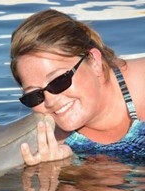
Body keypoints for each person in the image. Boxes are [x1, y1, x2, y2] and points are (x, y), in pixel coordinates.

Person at [10, 9, 145, 166]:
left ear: (94, 61)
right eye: (35, 95)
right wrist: (59, 170)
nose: (50, 101)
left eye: (59, 81)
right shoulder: (50, 141)